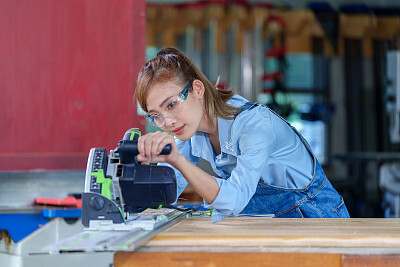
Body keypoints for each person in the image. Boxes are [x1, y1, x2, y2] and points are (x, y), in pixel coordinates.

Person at [135, 47, 350, 222]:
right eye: (155, 116)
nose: (167, 122)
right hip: (270, 224)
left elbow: (234, 200)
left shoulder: (255, 125)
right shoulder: (191, 130)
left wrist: (178, 160)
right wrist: (137, 168)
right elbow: (166, 188)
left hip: (315, 219)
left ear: (198, 90)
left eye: (171, 105)